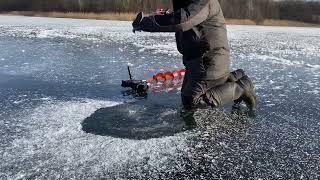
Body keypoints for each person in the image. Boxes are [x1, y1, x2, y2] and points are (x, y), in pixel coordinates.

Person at [132, 0, 256, 113]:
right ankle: (233, 77)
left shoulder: (204, 2)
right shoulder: (190, 3)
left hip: (211, 59)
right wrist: (165, 16)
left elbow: (183, 20)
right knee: (186, 98)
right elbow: (184, 16)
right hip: (197, 60)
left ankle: (241, 87)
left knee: (193, 102)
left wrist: (146, 23)